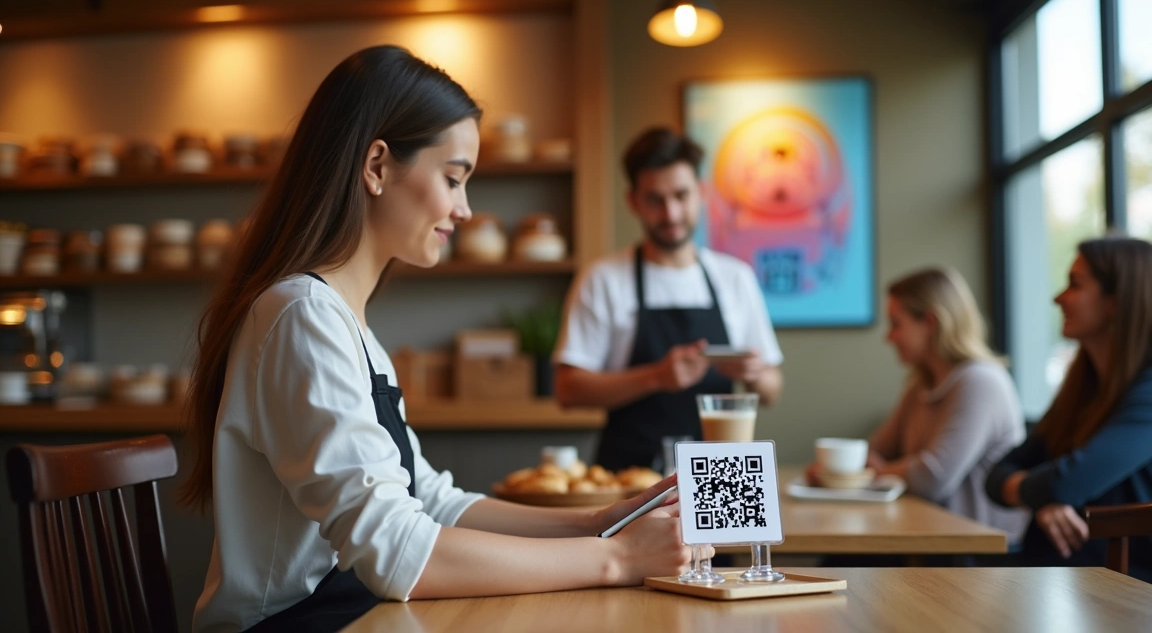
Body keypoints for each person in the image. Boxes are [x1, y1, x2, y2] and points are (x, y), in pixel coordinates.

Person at [183, 46, 692, 633]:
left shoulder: (343, 322)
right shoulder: (300, 315)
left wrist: (598, 521)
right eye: (453, 179)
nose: (466, 209)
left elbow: (429, 501)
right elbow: (395, 551)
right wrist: (618, 558)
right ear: (376, 166)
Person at [986, 237, 1152, 599]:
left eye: (1075, 284)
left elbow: (1065, 484)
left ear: (1116, 301)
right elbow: (997, 472)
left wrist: (1041, 495)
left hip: (1151, 602)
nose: (1057, 298)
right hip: (1076, 591)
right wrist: (1042, 498)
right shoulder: (1084, 390)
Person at [553, 127, 784, 472]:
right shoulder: (603, 279)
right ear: (633, 201)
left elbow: (771, 391)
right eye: (655, 199)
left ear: (701, 192)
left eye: (681, 195)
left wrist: (754, 373)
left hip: (724, 476)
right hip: (630, 480)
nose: (671, 213)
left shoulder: (735, 278)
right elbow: (568, 390)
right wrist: (656, 377)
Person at [805, 268, 1029, 540]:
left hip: (975, 552)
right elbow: (877, 450)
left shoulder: (981, 382)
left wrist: (869, 474)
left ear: (931, 322)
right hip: (927, 537)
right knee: (838, 562)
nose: (889, 337)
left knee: (842, 565)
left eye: (896, 324)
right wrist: (839, 470)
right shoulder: (921, 385)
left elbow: (932, 479)